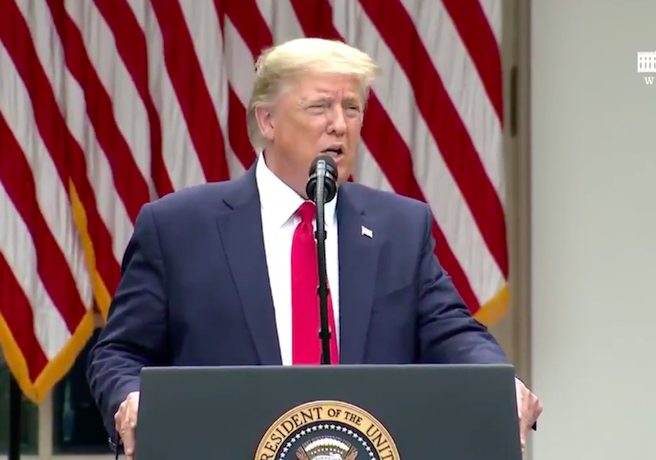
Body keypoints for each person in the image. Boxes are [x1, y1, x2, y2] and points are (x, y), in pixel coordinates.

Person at [86, 37, 542, 460]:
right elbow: (119, 352)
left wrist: (499, 384)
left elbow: (453, 333)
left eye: (352, 108)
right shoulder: (178, 228)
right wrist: (131, 399)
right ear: (267, 120)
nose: (339, 126)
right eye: (319, 107)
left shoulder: (400, 227)